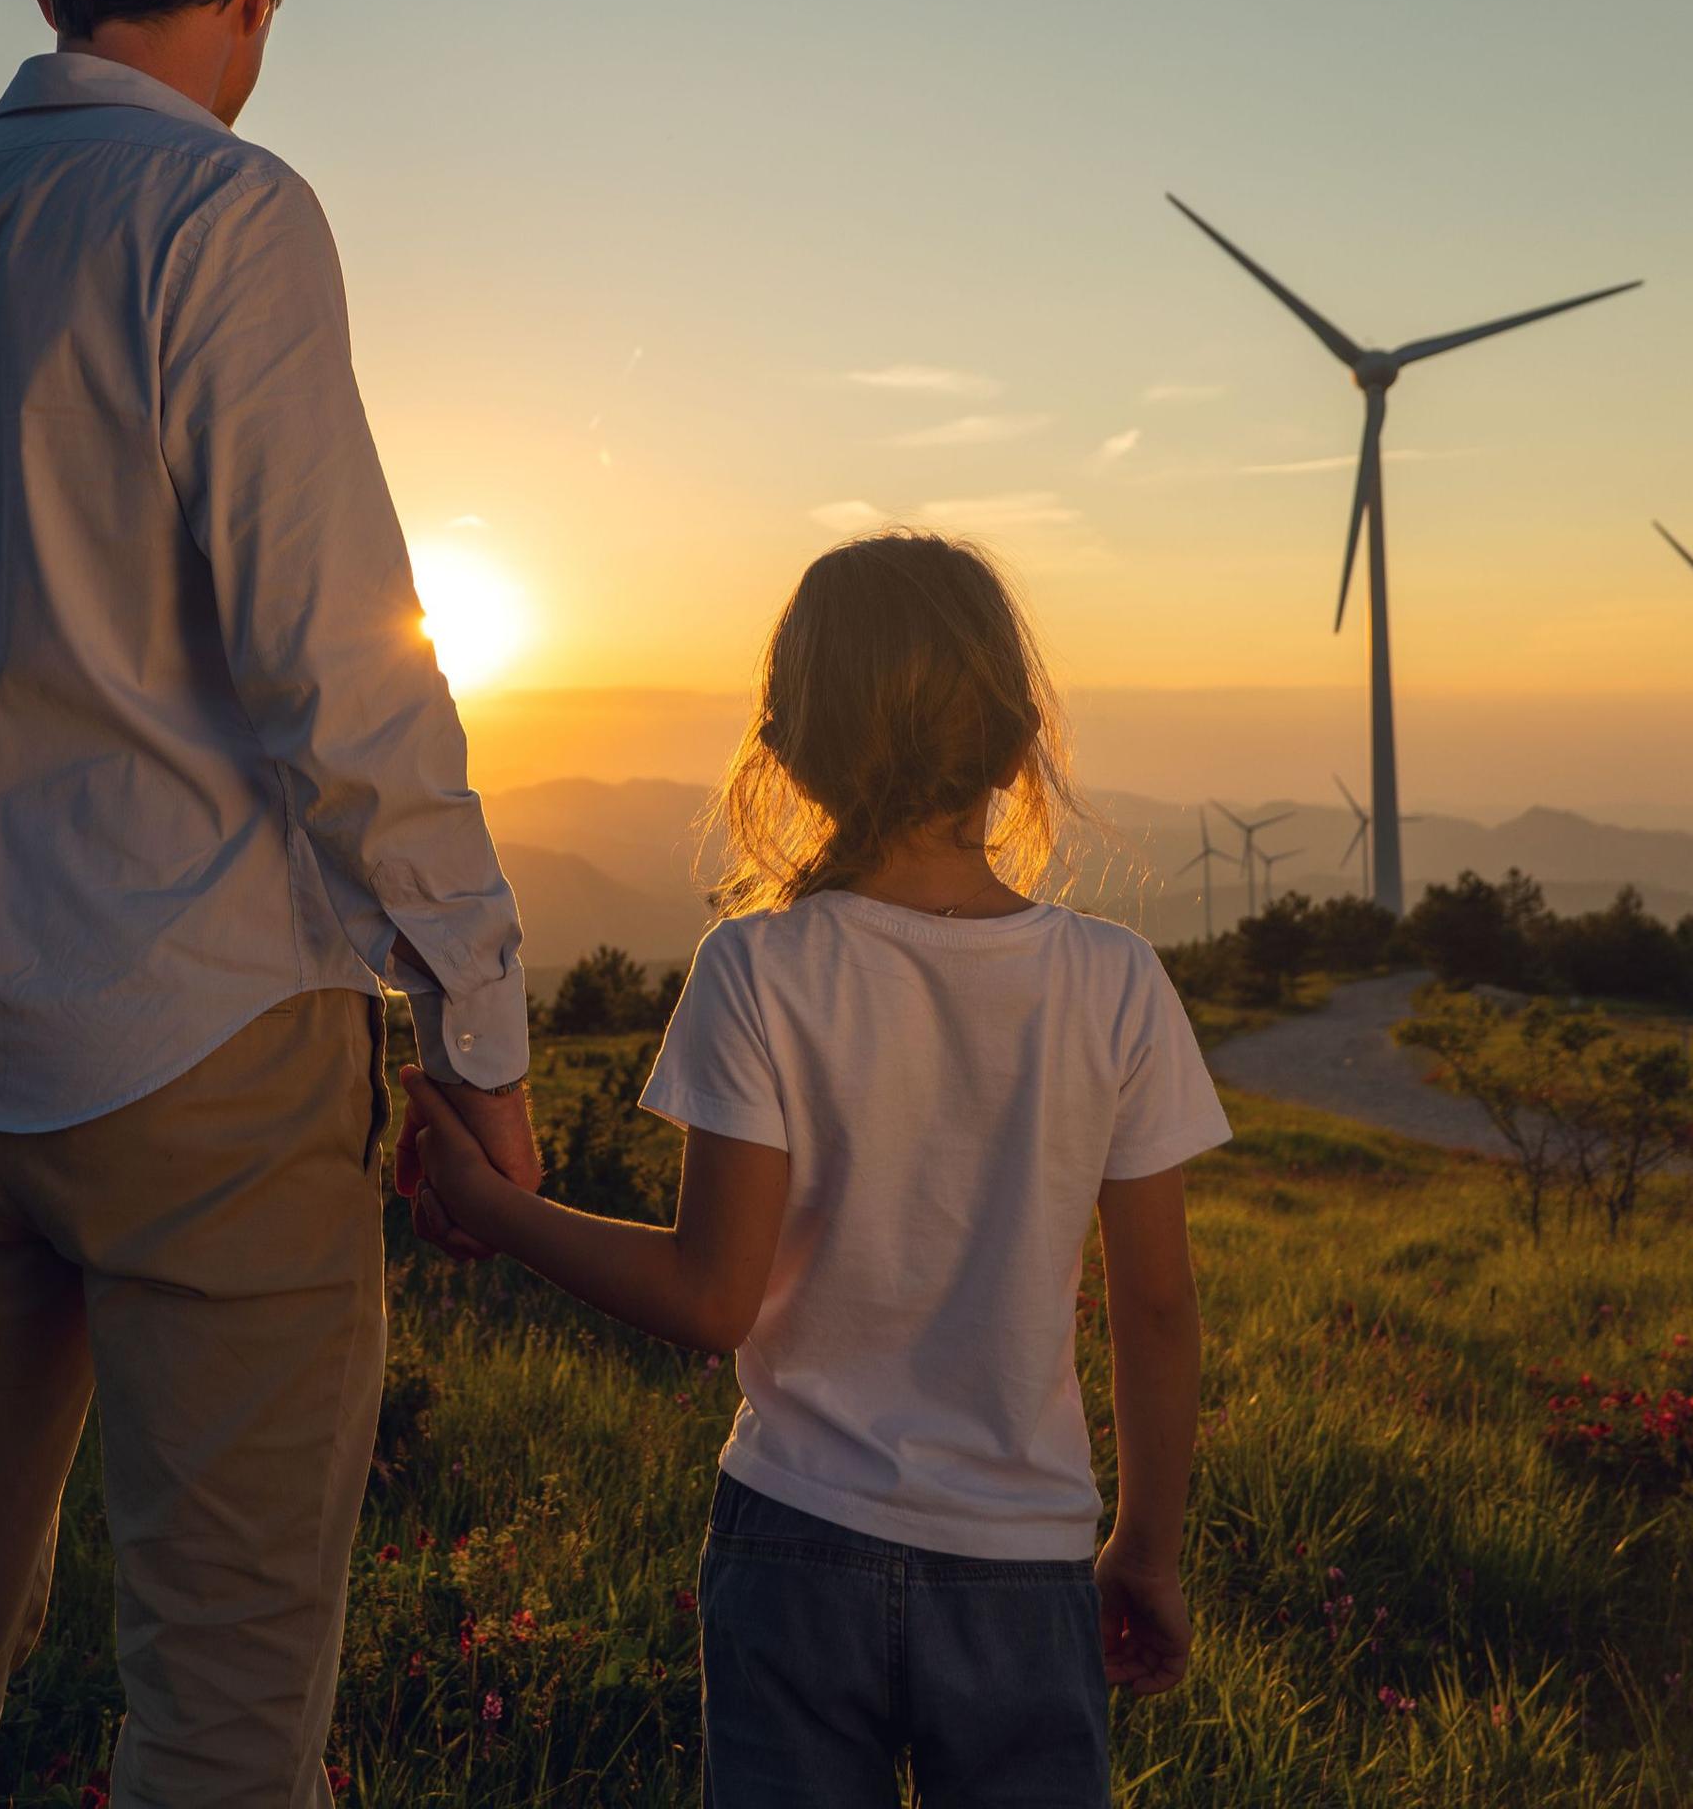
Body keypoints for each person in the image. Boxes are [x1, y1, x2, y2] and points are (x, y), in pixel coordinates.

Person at [0, 0, 541, 1809]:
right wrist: (478, 1010)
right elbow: (342, 669)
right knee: (222, 1673)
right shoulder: (225, 215)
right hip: (206, 1042)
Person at [408, 532, 1223, 1805]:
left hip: (797, 1544)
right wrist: (1148, 1549)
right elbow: (1159, 1304)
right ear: (1018, 744)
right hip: (1024, 1568)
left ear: (787, 749)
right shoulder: (1115, 982)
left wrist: (497, 1210)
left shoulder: (757, 966)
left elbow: (709, 1298)